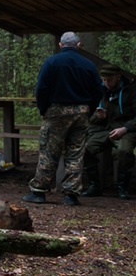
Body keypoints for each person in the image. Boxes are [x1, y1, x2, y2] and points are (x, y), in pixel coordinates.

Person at [23, 32, 101, 206]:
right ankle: (71, 194)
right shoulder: (88, 65)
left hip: (56, 111)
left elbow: (41, 88)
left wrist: (44, 109)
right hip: (81, 112)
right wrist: (89, 110)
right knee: (76, 153)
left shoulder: (52, 62)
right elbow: (98, 90)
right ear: (78, 45)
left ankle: (39, 191)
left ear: (60, 45)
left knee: (49, 150)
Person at [80, 63, 136, 199]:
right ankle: (95, 185)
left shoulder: (131, 91)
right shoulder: (99, 91)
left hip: (126, 128)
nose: (106, 83)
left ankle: (122, 186)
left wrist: (125, 128)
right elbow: (89, 117)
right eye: (104, 79)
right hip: (103, 128)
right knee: (85, 148)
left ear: (118, 77)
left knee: (123, 151)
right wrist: (97, 116)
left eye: (109, 79)